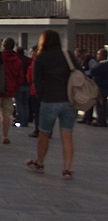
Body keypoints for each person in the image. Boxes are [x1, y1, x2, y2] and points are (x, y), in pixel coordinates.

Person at [26, 30, 77, 180]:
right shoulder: (67, 55)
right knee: (67, 135)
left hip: (49, 100)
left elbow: (37, 81)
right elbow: (79, 73)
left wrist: (41, 97)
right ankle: (67, 169)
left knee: (44, 134)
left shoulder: (40, 58)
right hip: (69, 101)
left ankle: (40, 162)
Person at [75, 47, 99, 124]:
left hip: (91, 83)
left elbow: (94, 71)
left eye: (79, 56)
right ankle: (86, 117)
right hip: (85, 83)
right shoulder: (83, 61)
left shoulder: (90, 60)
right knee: (86, 100)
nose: (78, 58)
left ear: (83, 54)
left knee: (89, 100)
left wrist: (83, 73)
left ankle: (88, 118)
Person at [87, 49, 108, 127]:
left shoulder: (101, 65)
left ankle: (101, 120)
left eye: (98, 54)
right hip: (105, 87)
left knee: (100, 104)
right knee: (103, 104)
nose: (97, 56)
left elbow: (92, 71)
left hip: (100, 87)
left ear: (102, 56)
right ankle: (102, 119)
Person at [27, 45, 44, 138]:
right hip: (45, 90)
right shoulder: (45, 61)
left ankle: (38, 129)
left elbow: (31, 75)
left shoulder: (35, 61)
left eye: (32, 51)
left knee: (37, 111)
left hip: (35, 89)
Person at [15, 46, 31, 128]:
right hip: (27, 84)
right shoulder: (28, 60)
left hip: (19, 84)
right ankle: (26, 120)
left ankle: (21, 120)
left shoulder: (17, 60)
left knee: (19, 103)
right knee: (25, 103)